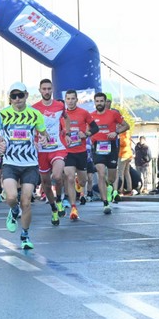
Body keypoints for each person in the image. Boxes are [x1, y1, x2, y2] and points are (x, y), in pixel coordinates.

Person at [0, 82, 49, 250]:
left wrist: (44, 139)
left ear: (26, 95)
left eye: (20, 95)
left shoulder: (35, 114)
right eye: (14, 96)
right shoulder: (3, 114)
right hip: (10, 162)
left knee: (26, 202)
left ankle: (25, 235)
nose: (17, 99)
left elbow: (44, 133)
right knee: (11, 198)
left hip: (30, 163)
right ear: (10, 98)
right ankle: (14, 210)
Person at [32, 79, 70, 226]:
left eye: (49, 89)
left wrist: (67, 133)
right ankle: (54, 208)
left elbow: (66, 118)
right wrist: (34, 141)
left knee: (57, 176)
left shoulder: (60, 105)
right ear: (40, 90)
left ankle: (59, 200)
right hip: (42, 150)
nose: (47, 91)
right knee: (46, 183)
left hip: (57, 147)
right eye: (44, 89)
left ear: (52, 89)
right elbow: (30, 127)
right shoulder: (34, 108)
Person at [89, 92, 130, 213]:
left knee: (111, 177)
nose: (99, 103)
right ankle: (105, 203)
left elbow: (126, 126)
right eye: (97, 101)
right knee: (101, 174)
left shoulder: (113, 114)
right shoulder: (91, 116)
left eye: (101, 101)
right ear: (94, 102)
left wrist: (116, 132)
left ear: (105, 102)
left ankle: (110, 187)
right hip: (97, 147)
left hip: (111, 146)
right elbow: (86, 130)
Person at [62, 89, 99, 221]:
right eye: (68, 99)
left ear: (77, 100)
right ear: (65, 100)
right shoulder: (61, 115)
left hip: (81, 152)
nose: (70, 101)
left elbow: (95, 128)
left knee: (83, 182)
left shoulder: (84, 113)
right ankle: (73, 207)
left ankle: (79, 181)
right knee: (70, 178)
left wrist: (87, 134)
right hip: (67, 152)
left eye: (73, 98)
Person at [117, 130, 134, 196]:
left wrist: (118, 138)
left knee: (120, 173)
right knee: (127, 172)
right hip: (128, 155)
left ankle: (120, 189)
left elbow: (122, 143)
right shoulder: (128, 134)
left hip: (123, 155)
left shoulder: (122, 134)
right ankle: (129, 189)